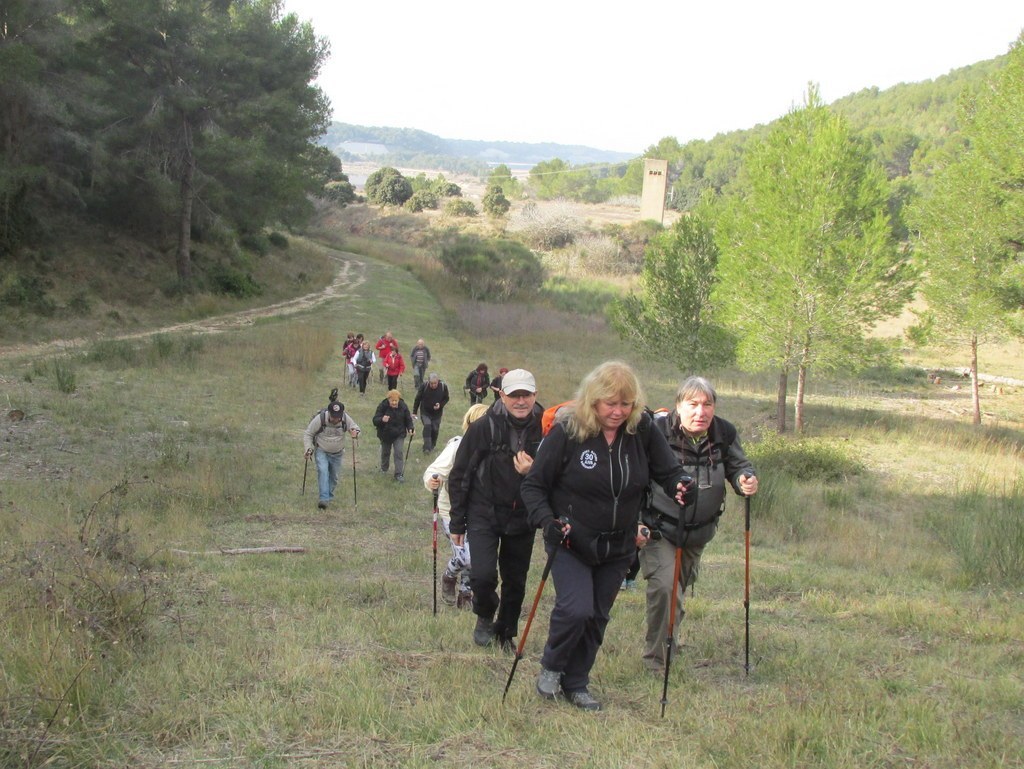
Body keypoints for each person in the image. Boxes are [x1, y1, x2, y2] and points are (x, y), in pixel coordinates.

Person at [520, 361, 693, 712]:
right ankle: (552, 667)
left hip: (619, 544)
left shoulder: (641, 430)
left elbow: (668, 470)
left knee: (598, 615)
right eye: (610, 403)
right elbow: (534, 485)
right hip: (570, 539)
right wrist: (547, 522)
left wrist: (680, 485)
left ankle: (577, 681)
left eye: (625, 404)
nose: (617, 412)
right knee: (576, 609)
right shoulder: (568, 431)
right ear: (593, 400)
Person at [639, 376, 757, 674]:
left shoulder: (723, 432)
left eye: (707, 405)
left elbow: (738, 465)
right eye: (692, 404)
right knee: (666, 588)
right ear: (678, 406)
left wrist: (746, 480)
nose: (700, 412)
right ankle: (657, 664)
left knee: (677, 589)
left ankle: (669, 643)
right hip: (660, 527)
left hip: (700, 532)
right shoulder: (657, 433)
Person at [448, 368, 544, 650]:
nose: (520, 401)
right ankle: (485, 615)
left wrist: (533, 470)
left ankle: (506, 633)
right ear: (501, 395)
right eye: (514, 395)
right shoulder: (483, 427)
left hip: (523, 515)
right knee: (483, 575)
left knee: (516, 581)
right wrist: (457, 522)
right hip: (483, 512)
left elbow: (558, 473)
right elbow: (460, 474)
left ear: (535, 395)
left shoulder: (547, 427)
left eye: (526, 395)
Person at [424, 403, 489, 609]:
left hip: (479, 511)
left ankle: (466, 594)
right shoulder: (457, 446)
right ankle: (449, 576)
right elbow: (434, 471)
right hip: (450, 510)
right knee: (466, 557)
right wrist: (432, 480)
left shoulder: (494, 448)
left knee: (475, 555)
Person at [302, 400, 361, 510]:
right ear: (329, 413)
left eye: (338, 417)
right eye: (333, 416)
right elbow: (308, 434)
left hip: (338, 453)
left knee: (334, 478)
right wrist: (308, 449)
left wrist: (355, 432)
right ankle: (323, 499)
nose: (335, 419)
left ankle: (327, 496)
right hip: (321, 450)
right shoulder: (320, 419)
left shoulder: (345, 418)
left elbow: (356, 428)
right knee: (323, 471)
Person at [372, 389, 414, 482]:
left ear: (399, 400)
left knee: (398, 452)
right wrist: (382, 419)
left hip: (399, 434)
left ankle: (398, 474)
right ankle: (384, 469)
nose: (394, 403)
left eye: (396, 401)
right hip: (385, 434)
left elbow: (408, 419)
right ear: (389, 400)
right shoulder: (383, 406)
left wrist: (411, 428)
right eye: (392, 401)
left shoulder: (403, 406)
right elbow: (375, 420)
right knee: (385, 452)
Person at [412, 372, 450, 453]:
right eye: (431, 383)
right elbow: (417, 399)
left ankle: (432, 445)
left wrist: (440, 405)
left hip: (437, 414)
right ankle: (426, 448)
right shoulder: (424, 386)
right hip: (425, 412)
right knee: (427, 426)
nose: (433, 385)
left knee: (435, 429)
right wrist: (414, 412)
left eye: (435, 383)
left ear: (438, 381)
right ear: (428, 382)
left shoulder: (443, 387)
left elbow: (446, 398)